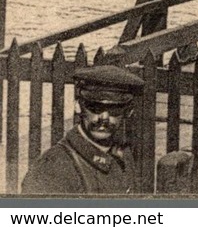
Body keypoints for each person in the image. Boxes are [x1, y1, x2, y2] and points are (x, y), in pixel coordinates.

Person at [20, 66, 144, 195]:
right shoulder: (52, 168)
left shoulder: (123, 155)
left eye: (114, 109)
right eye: (95, 108)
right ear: (78, 106)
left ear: (128, 112)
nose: (104, 118)